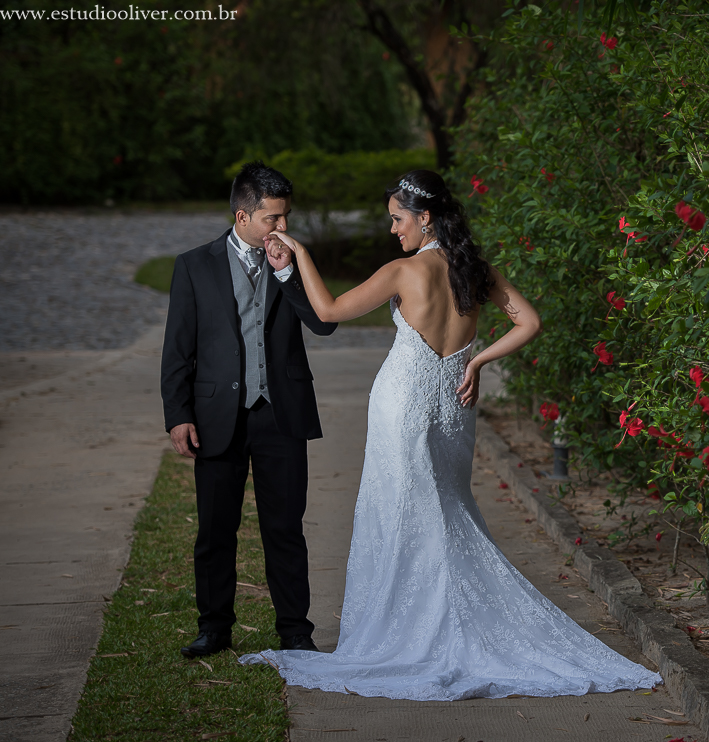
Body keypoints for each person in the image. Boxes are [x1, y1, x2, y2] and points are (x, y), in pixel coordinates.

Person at [239, 169, 661, 699]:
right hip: (453, 409)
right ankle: (442, 628)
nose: (393, 230)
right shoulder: (475, 270)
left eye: (397, 219)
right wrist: (478, 359)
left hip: (403, 406)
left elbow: (326, 312)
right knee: (445, 511)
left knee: (405, 516)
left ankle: (415, 635)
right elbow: (529, 322)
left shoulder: (402, 272)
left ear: (425, 217)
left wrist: (299, 254)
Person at [161, 161, 337, 659]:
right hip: (219, 416)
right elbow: (178, 350)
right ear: (243, 216)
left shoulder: (293, 262)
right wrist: (178, 413)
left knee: (285, 526)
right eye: (272, 219)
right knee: (216, 529)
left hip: (281, 413)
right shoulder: (194, 265)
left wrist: (287, 272)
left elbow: (324, 326)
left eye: (285, 218)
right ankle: (214, 627)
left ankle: (295, 631)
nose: (282, 228)